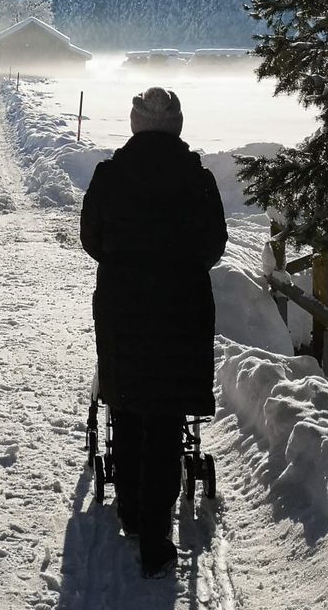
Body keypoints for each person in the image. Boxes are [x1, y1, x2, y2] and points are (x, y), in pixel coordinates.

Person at [80, 86, 227, 579]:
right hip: (180, 310)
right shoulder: (199, 180)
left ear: (135, 124)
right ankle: (156, 532)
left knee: (126, 403)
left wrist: (127, 263)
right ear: (178, 126)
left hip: (122, 307)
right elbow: (214, 245)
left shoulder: (109, 176)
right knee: (164, 415)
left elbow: (92, 239)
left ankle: (130, 508)